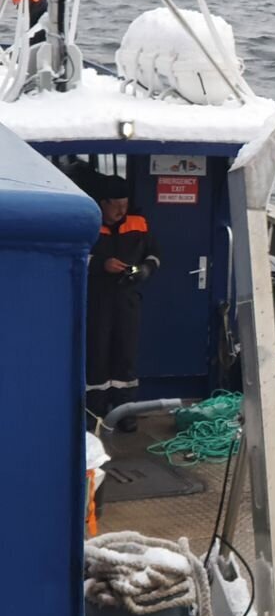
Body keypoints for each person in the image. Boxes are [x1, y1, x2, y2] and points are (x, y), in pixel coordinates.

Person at [85, 173, 160, 432]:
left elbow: (154, 253)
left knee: (125, 357)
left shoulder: (138, 222)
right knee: (96, 355)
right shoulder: (88, 222)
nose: (121, 211)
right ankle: (94, 412)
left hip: (127, 300)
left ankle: (124, 411)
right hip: (97, 301)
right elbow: (75, 256)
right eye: (116, 205)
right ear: (103, 203)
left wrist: (145, 269)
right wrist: (100, 264)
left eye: (125, 205)